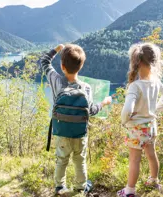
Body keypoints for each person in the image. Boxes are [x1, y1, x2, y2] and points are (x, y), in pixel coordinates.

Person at [40, 44, 112, 195]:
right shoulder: (86, 88)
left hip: (62, 132)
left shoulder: (56, 81)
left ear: (62, 66)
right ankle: (80, 187)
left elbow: (44, 62)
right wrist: (104, 103)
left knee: (62, 159)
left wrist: (57, 49)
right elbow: (91, 111)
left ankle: (60, 187)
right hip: (80, 133)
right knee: (80, 159)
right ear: (81, 66)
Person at [117, 43, 163, 197]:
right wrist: (155, 111)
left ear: (137, 62)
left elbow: (127, 109)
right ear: (153, 62)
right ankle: (154, 180)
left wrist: (124, 121)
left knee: (134, 160)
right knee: (151, 154)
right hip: (151, 126)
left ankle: (129, 191)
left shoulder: (135, 86)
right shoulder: (155, 83)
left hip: (136, 128)